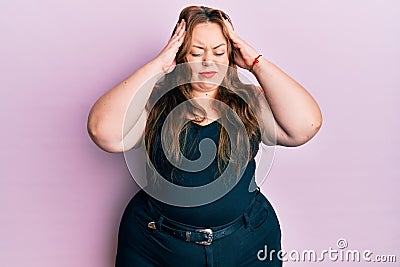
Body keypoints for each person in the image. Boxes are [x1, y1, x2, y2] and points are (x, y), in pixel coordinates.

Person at [87, 5, 322, 267]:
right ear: (180, 55)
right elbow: (102, 132)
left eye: (219, 51)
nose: (208, 61)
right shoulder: (154, 100)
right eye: (197, 52)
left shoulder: (249, 99)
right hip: (156, 245)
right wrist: (158, 65)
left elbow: (305, 127)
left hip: (247, 244)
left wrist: (256, 62)